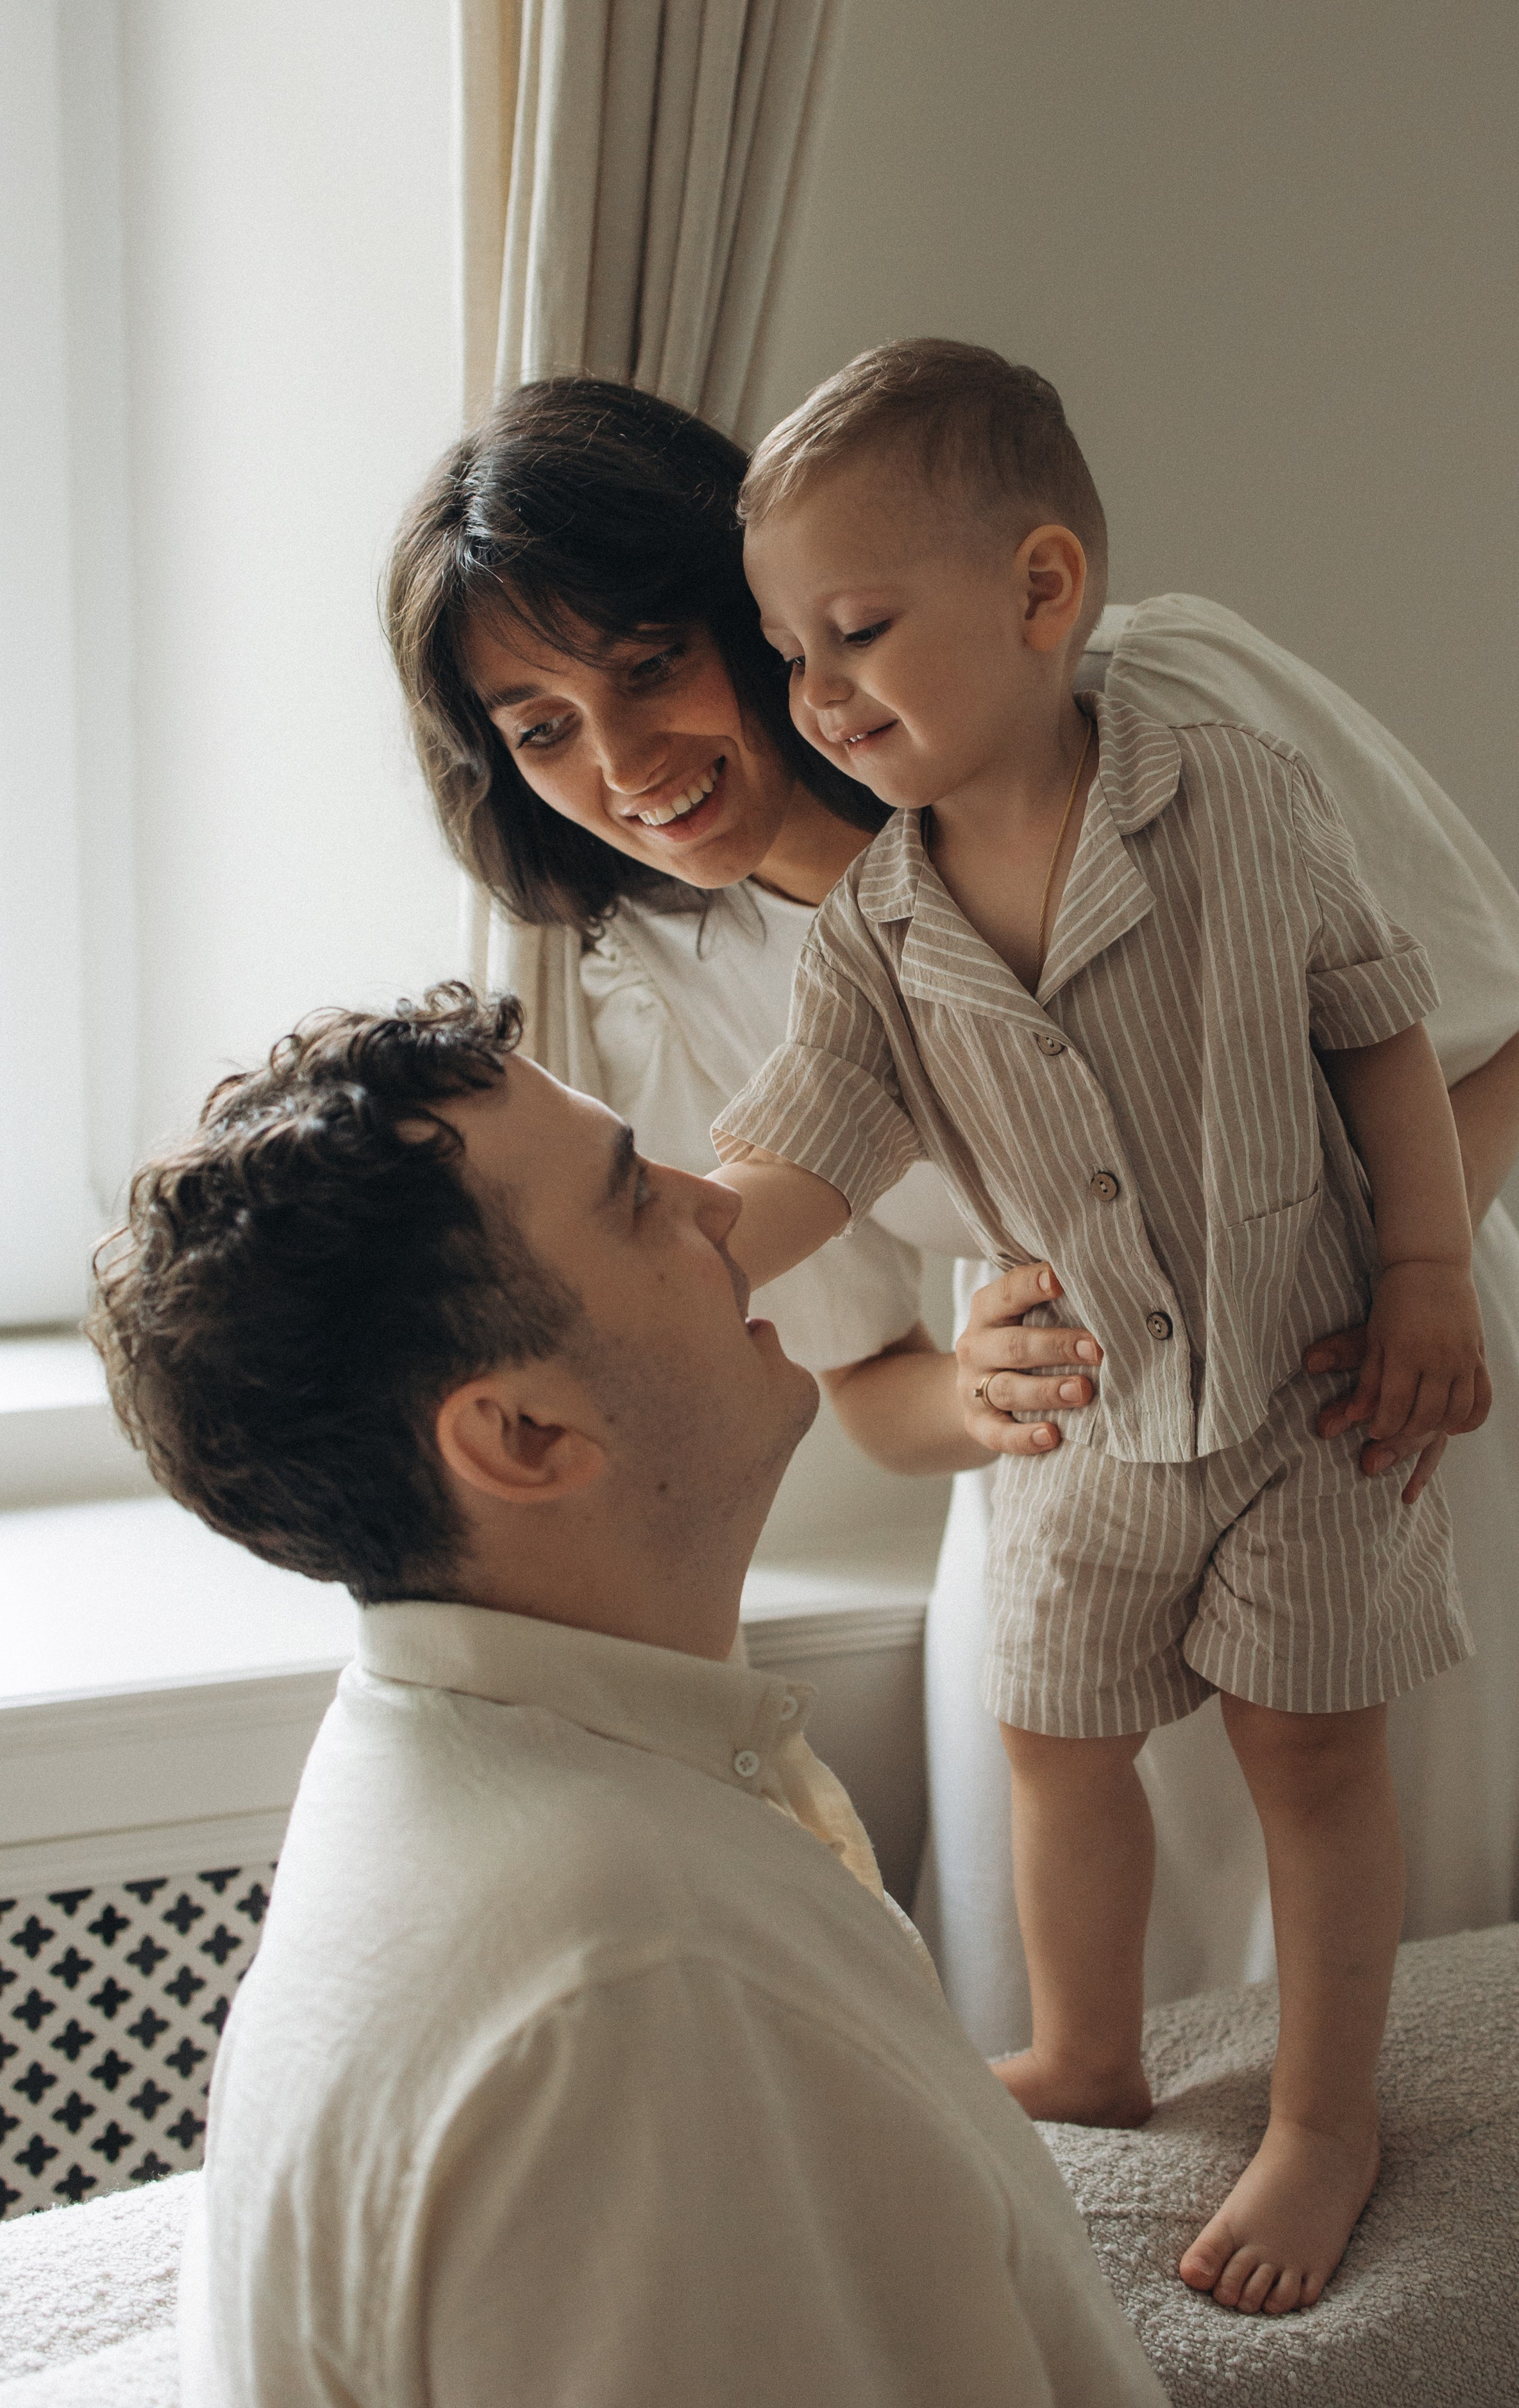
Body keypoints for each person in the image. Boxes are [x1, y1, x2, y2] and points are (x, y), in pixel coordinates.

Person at [385, 377, 1519, 2036]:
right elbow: (867, 1386)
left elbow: (1492, 1021)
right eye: (542, 728)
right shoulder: (669, 987)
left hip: (1383, 1394)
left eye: (646, 663)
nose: (623, 762)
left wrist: (1358, 1297)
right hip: (1080, 1485)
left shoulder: (1167, 712)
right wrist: (970, 1394)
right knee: (1115, 1990)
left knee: (1447, 1995)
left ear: (753, 614)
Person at [710, 337, 1495, 2314]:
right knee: (1052, 1739)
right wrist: (672, 1244)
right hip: (1087, 1431)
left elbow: (1384, 1024)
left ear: (1040, 591)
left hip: (1314, 1392)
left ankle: (1326, 2115)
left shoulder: (1221, 790)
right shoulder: (879, 928)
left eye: (859, 630)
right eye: (790, 651)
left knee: (1311, 1749)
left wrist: (1427, 1275)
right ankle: (1090, 2045)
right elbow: (803, 1148)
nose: (817, 692)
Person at [87, 988, 1167, 2408]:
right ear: (524, 1435)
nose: (715, 1206)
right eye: (631, 1200)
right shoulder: (641, 2000)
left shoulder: (444, 1762)